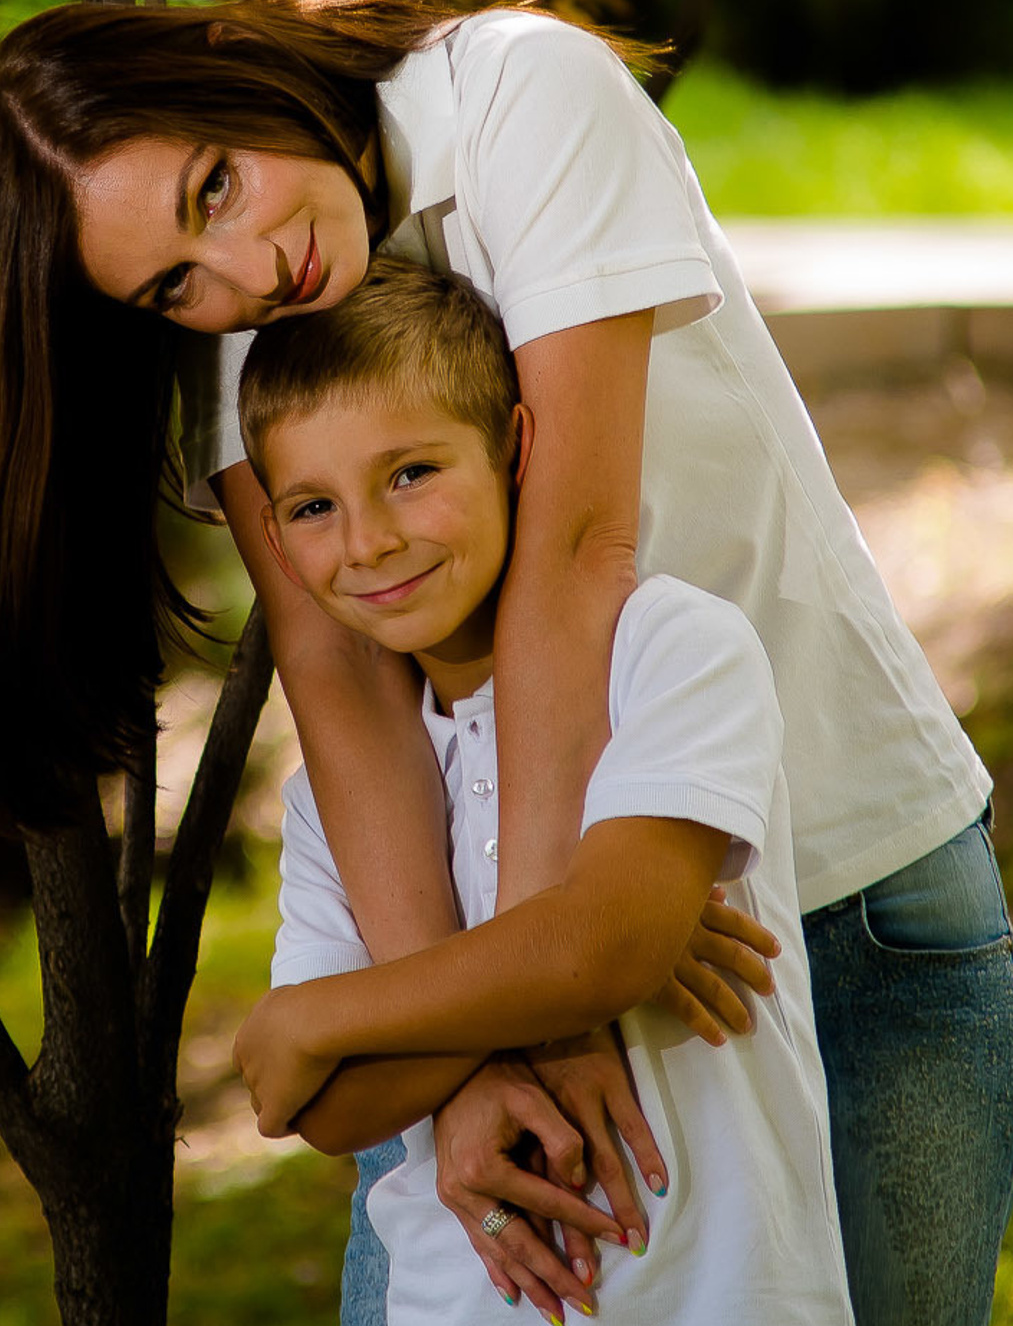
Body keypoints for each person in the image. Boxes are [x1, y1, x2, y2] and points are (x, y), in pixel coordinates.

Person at [0, 0, 1013, 1323]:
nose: (245, 269)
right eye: (172, 287)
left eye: (214, 187)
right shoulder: (244, 312)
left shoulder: (525, 93)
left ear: (227, 69)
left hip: (832, 898)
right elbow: (335, 674)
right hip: (516, 941)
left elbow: (578, 553)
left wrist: (550, 984)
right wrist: (468, 1057)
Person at [230, 257, 854, 1324]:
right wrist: (559, 964)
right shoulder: (334, 805)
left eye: (412, 473)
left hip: (722, 1295)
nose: (369, 540)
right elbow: (327, 1108)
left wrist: (309, 1020)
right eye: (314, 506)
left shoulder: (669, 649)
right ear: (277, 543)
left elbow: (601, 945)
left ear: (516, 448)